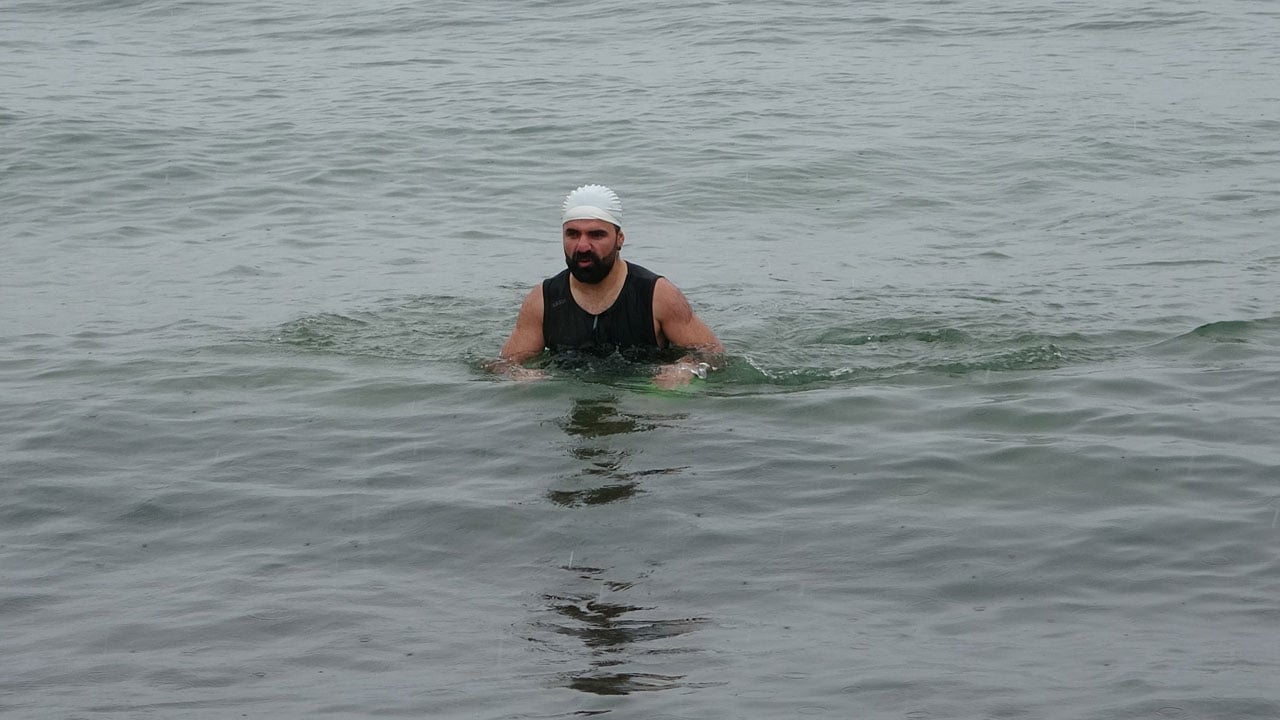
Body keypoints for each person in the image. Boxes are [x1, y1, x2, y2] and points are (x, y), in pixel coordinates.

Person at [494, 184, 723, 386]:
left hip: (639, 405)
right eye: (572, 234)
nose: (582, 246)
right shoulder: (544, 300)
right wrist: (518, 374)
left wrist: (686, 368)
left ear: (620, 238)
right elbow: (502, 364)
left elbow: (714, 354)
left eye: (596, 235)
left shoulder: (656, 295)